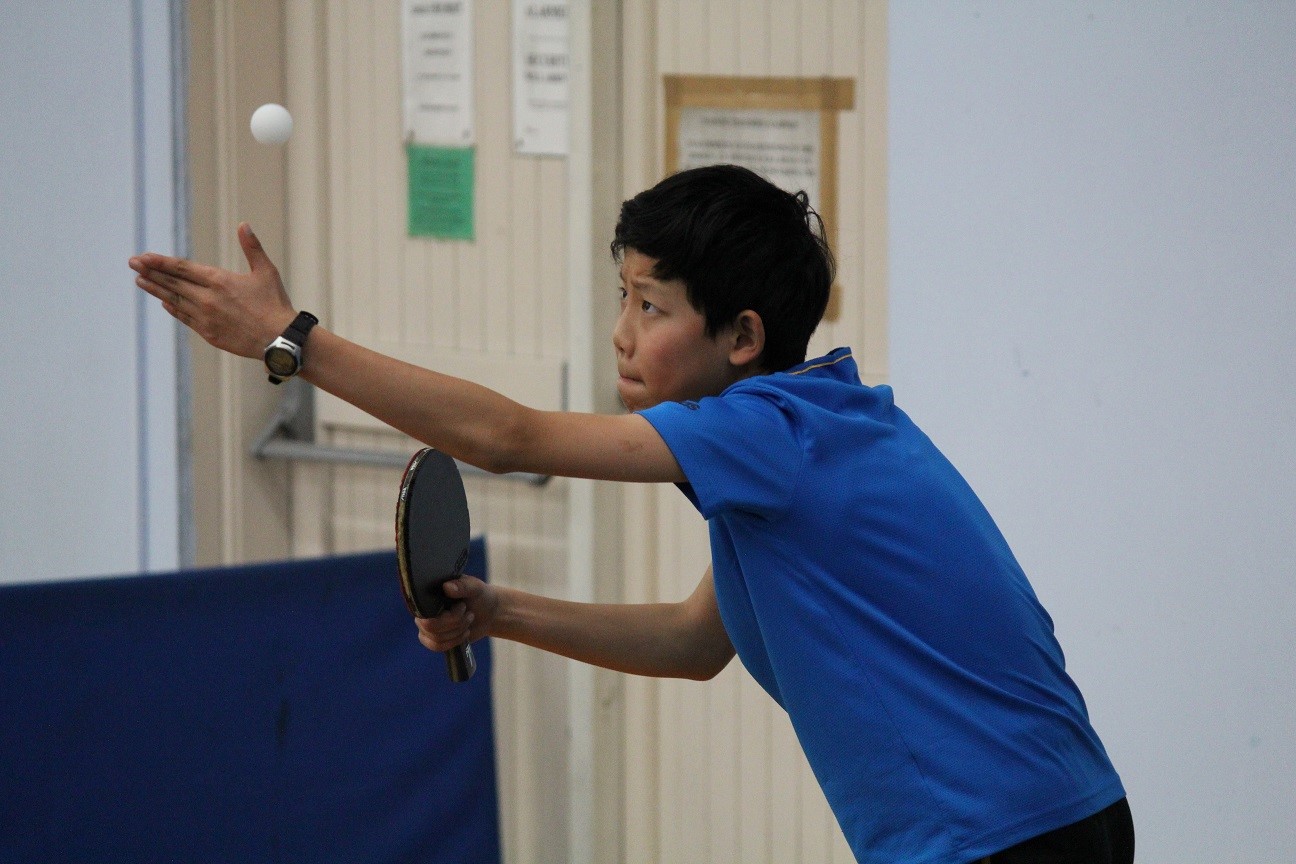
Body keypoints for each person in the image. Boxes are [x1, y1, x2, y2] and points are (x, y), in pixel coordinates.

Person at [130, 164, 1132, 863]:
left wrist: (293, 342)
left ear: (742, 336)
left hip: (1000, 840)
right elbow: (695, 642)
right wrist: (499, 612)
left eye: (650, 308)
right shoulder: (812, 440)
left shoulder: (770, 433)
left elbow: (508, 437)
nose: (620, 333)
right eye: (624, 296)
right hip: (1051, 818)